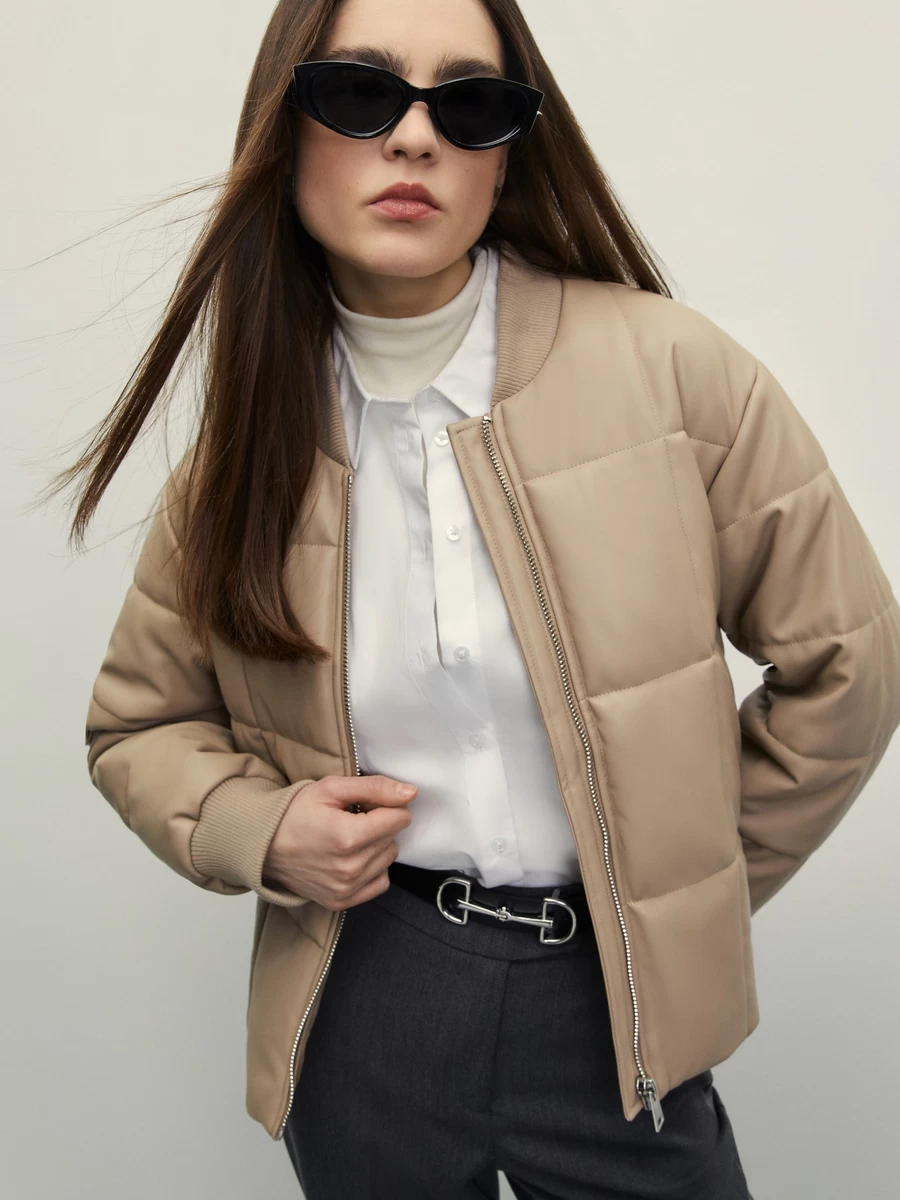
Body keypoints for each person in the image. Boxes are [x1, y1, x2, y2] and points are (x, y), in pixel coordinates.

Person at [69, 1, 900, 1197]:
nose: (415, 138)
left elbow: (850, 665)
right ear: (284, 127)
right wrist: (265, 829)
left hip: (608, 1004)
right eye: (362, 92)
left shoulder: (674, 372)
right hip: (368, 995)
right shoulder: (245, 452)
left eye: (469, 105)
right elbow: (137, 727)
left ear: (507, 154)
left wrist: (673, 885)